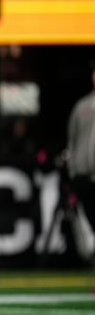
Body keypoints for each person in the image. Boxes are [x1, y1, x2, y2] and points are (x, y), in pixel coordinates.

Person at [67, 62, 95, 232]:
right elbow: (72, 138)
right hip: (83, 175)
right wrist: (73, 170)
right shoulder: (82, 107)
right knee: (90, 217)